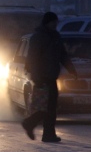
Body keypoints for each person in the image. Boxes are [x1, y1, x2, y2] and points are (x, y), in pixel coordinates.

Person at [21, 12, 78, 143]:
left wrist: (72, 70)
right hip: (41, 77)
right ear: (47, 22)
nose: (55, 25)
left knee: (51, 107)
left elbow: (62, 55)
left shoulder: (56, 36)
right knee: (44, 106)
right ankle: (30, 123)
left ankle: (47, 134)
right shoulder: (38, 37)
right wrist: (36, 77)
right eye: (53, 22)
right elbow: (32, 59)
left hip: (51, 77)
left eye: (56, 22)